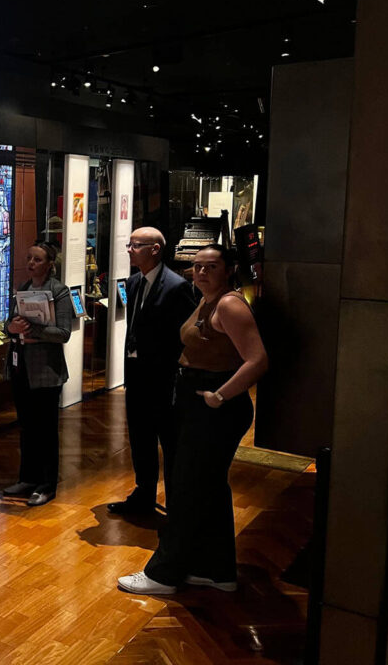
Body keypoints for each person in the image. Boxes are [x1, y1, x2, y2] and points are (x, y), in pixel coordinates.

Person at [118, 244, 268, 595]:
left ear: (228, 269)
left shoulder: (229, 304)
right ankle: (215, 570)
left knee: (186, 489)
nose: (201, 272)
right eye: (197, 266)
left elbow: (258, 360)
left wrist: (220, 396)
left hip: (212, 406)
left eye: (211, 266)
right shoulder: (206, 300)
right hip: (197, 402)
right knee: (209, 488)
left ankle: (163, 574)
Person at [108, 227, 197, 515]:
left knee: (169, 442)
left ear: (155, 249)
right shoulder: (133, 282)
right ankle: (144, 493)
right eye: (129, 244)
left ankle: (176, 506)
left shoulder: (176, 287)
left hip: (163, 379)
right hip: (136, 375)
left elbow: (186, 336)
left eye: (135, 245)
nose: (129, 250)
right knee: (140, 438)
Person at [1, 240, 72, 507]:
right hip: (20, 368)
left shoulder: (59, 291)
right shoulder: (24, 288)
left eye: (38, 259)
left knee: (46, 430)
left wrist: (33, 330)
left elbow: (63, 333)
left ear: (50, 264)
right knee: (27, 427)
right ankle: (27, 478)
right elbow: (9, 324)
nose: (31, 263)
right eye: (29, 258)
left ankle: (47, 484)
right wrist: (11, 327)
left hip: (46, 371)